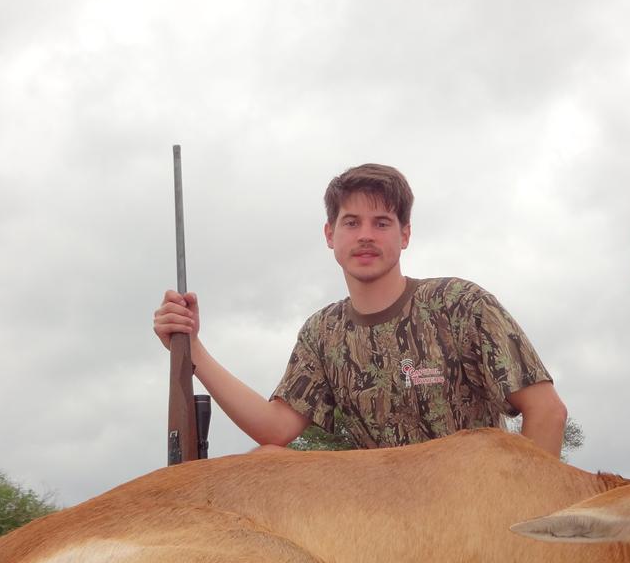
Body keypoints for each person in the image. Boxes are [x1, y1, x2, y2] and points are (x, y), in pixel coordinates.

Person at [153, 163, 568, 457]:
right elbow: (274, 429)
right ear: (329, 234)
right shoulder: (322, 332)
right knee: (265, 461)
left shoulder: (462, 304)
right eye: (351, 223)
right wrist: (193, 350)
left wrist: (525, 525)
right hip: (376, 519)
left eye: (381, 223)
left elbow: (547, 411)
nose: (366, 236)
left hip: (473, 512)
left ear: (405, 235)